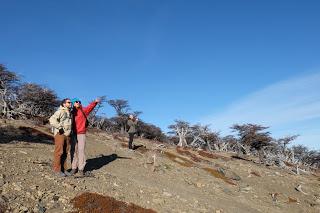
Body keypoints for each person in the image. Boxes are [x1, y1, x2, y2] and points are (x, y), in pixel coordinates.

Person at [70, 97, 100, 176]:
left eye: (79, 101)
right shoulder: (70, 112)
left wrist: (95, 102)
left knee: (81, 150)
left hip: (81, 133)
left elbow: (90, 107)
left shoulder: (83, 110)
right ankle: (73, 168)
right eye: (76, 102)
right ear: (73, 103)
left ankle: (80, 169)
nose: (78, 103)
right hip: (73, 134)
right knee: (74, 151)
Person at [49, 98, 73, 177]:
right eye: (68, 102)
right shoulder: (60, 111)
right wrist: (60, 127)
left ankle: (64, 169)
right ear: (64, 104)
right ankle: (57, 170)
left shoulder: (70, 113)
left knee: (65, 152)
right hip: (60, 134)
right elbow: (52, 119)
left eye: (70, 102)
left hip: (67, 135)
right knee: (59, 151)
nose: (70, 103)